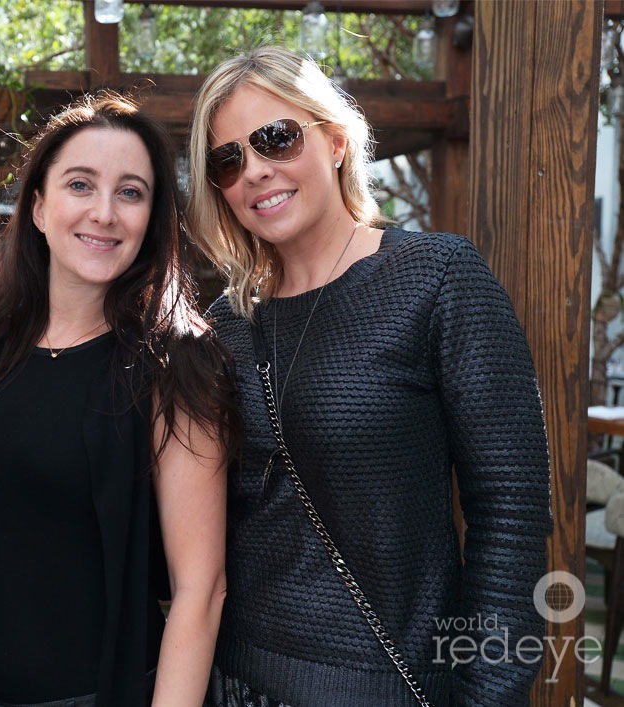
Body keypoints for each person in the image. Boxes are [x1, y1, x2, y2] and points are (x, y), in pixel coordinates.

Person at [187, 46, 553, 707]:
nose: (256, 170)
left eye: (276, 137)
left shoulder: (438, 277)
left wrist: (489, 694)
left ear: (333, 138)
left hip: (389, 688)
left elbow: (513, 513)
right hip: (238, 683)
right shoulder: (224, 325)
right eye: (228, 159)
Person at [0, 93, 240, 707]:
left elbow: (201, 590)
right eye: (80, 185)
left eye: (131, 192)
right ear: (38, 208)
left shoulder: (177, 363)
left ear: (153, 219)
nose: (104, 212)